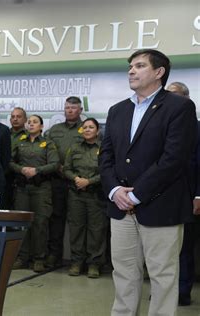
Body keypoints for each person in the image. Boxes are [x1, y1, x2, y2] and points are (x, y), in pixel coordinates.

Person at [99, 49, 197, 315]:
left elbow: (173, 159)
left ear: (159, 72)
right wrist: (115, 191)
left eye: (140, 65)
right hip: (120, 209)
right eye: (130, 66)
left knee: (162, 276)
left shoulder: (180, 107)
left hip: (161, 206)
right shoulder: (117, 110)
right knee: (124, 274)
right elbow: (106, 157)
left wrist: (136, 195)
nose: (131, 70)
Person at [11, 115, 59, 273]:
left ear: (42, 126)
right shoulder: (20, 142)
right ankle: (21, 258)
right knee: (21, 223)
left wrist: (37, 170)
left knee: (40, 224)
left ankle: (39, 258)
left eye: (35, 122)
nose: (31, 124)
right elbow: (10, 161)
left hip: (41, 188)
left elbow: (54, 164)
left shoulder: (48, 143)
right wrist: (21, 170)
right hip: (23, 188)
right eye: (29, 122)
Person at [166, 81, 199, 306]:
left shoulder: (198, 126)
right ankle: (165, 291)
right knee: (165, 248)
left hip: (190, 196)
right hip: (163, 197)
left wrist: (199, 195)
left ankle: (182, 290)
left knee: (185, 247)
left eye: (174, 95)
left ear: (186, 98)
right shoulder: (162, 125)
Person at [63, 118, 107, 278]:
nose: (87, 130)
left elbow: (107, 171)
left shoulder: (104, 148)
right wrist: (76, 179)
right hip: (76, 194)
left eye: (91, 127)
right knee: (76, 228)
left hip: (96, 195)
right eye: (85, 127)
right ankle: (76, 262)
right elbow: (66, 168)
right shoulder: (74, 148)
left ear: (97, 130)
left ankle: (94, 264)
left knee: (96, 229)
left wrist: (89, 181)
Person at [44, 96, 84, 268]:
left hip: (79, 182)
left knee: (78, 222)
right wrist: (57, 167)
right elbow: (45, 150)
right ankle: (54, 255)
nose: (70, 110)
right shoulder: (54, 130)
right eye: (67, 107)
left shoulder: (88, 128)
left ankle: (78, 259)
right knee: (56, 220)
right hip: (57, 180)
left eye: (73, 108)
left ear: (80, 110)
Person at [3, 107, 28, 210]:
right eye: (13, 117)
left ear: (25, 119)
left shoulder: (30, 135)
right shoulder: (3, 133)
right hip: (5, 176)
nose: (15, 119)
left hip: (22, 178)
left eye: (18, 116)